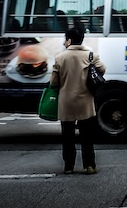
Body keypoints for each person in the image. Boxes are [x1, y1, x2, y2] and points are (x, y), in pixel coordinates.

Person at [50, 27, 106, 175]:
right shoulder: (90, 56)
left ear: (68, 40)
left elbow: (54, 83)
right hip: (85, 102)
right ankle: (89, 165)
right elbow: (102, 70)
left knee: (67, 136)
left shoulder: (60, 58)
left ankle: (69, 166)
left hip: (66, 103)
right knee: (87, 136)